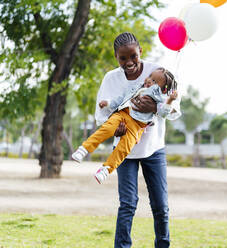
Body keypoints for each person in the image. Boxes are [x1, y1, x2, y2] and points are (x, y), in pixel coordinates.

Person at [89, 32, 180, 248]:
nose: (129, 63)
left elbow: (175, 110)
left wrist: (155, 107)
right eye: (123, 58)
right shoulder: (111, 79)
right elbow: (100, 115)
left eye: (133, 56)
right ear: (116, 57)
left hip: (153, 148)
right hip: (124, 150)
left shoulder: (158, 71)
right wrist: (115, 126)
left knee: (160, 205)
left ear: (140, 51)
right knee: (128, 204)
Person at [71, 68, 178, 184]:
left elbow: (163, 113)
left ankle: (106, 169)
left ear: (162, 90)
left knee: (125, 148)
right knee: (107, 129)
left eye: (155, 82)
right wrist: (108, 103)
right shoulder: (137, 86)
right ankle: (84, 149)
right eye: (150, 77)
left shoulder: (160, 99)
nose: (149, 81)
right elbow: (121, 99)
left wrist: (170, 101)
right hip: (122, 114)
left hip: (136, 126)